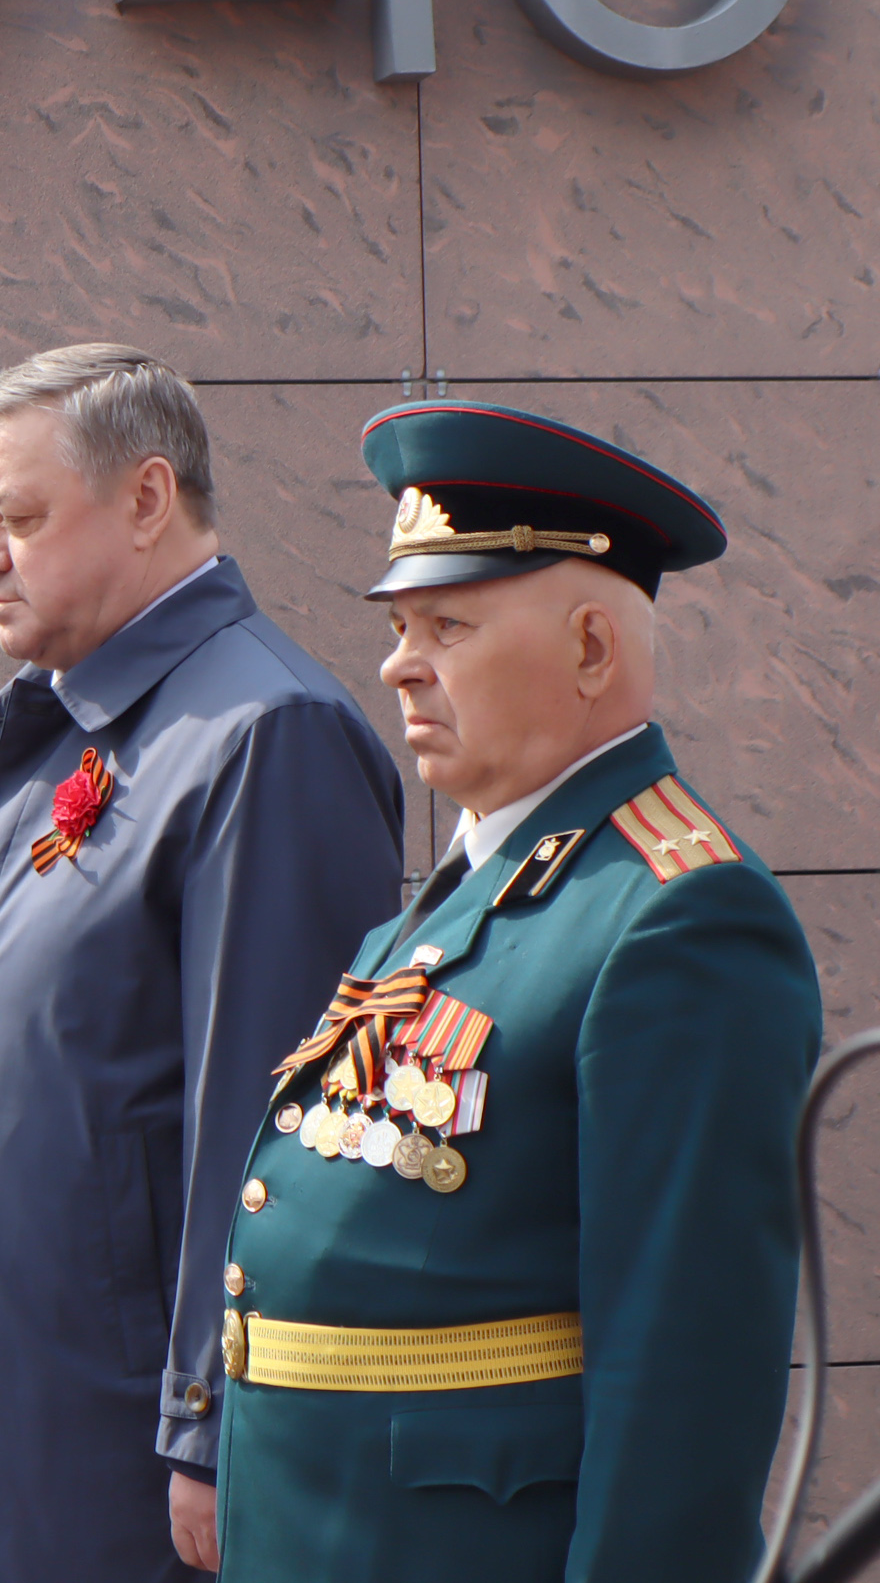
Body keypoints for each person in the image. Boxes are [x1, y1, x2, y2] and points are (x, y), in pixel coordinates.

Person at [0, 344, 406, 1581]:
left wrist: (211, 1421)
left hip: (97, 1462)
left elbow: (265, 1127)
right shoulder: (60, 723)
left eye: (19, 517)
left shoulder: (262, 734)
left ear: (147, 500)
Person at [210, 401, 821, 1582]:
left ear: (593, 647)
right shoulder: (453, 903)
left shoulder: (678, 916)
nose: (398, 660)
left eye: (448, 622)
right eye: (399, 623)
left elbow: (684, 1390)